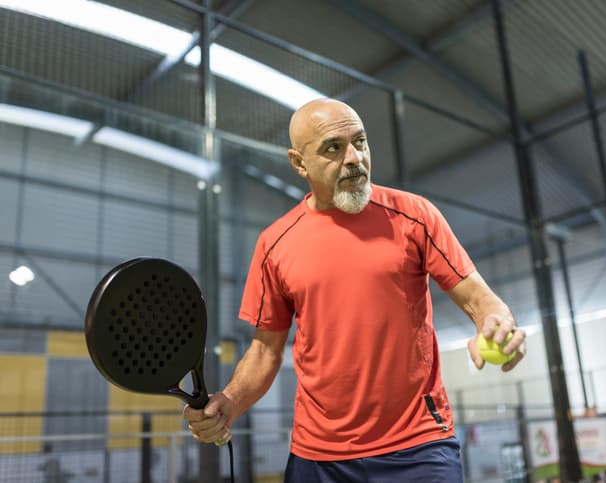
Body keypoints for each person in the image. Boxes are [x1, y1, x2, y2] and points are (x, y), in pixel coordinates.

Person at [183, 98, 527, 482]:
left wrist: (496, 321)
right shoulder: (274, 244)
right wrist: (229, 403)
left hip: (419, 447)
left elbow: (479, 297)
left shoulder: (415, 215)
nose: (354, 158)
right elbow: (265, 349)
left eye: (360, 142)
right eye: (333, 148)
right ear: (299, 163)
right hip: (318, 457)